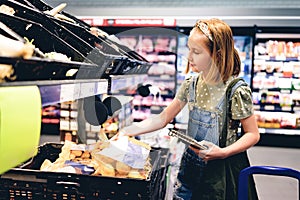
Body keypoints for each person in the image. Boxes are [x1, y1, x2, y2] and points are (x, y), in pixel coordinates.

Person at [114, 18, 260, 200]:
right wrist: (128, 130)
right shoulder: (191, 84)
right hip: (192, 165)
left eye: (196, 52)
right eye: (189, 49)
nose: (189, 57)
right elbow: (163, 118)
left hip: (222, 170)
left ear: (218, 54)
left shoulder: (235, 90)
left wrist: (223, 152)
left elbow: (252, 134)